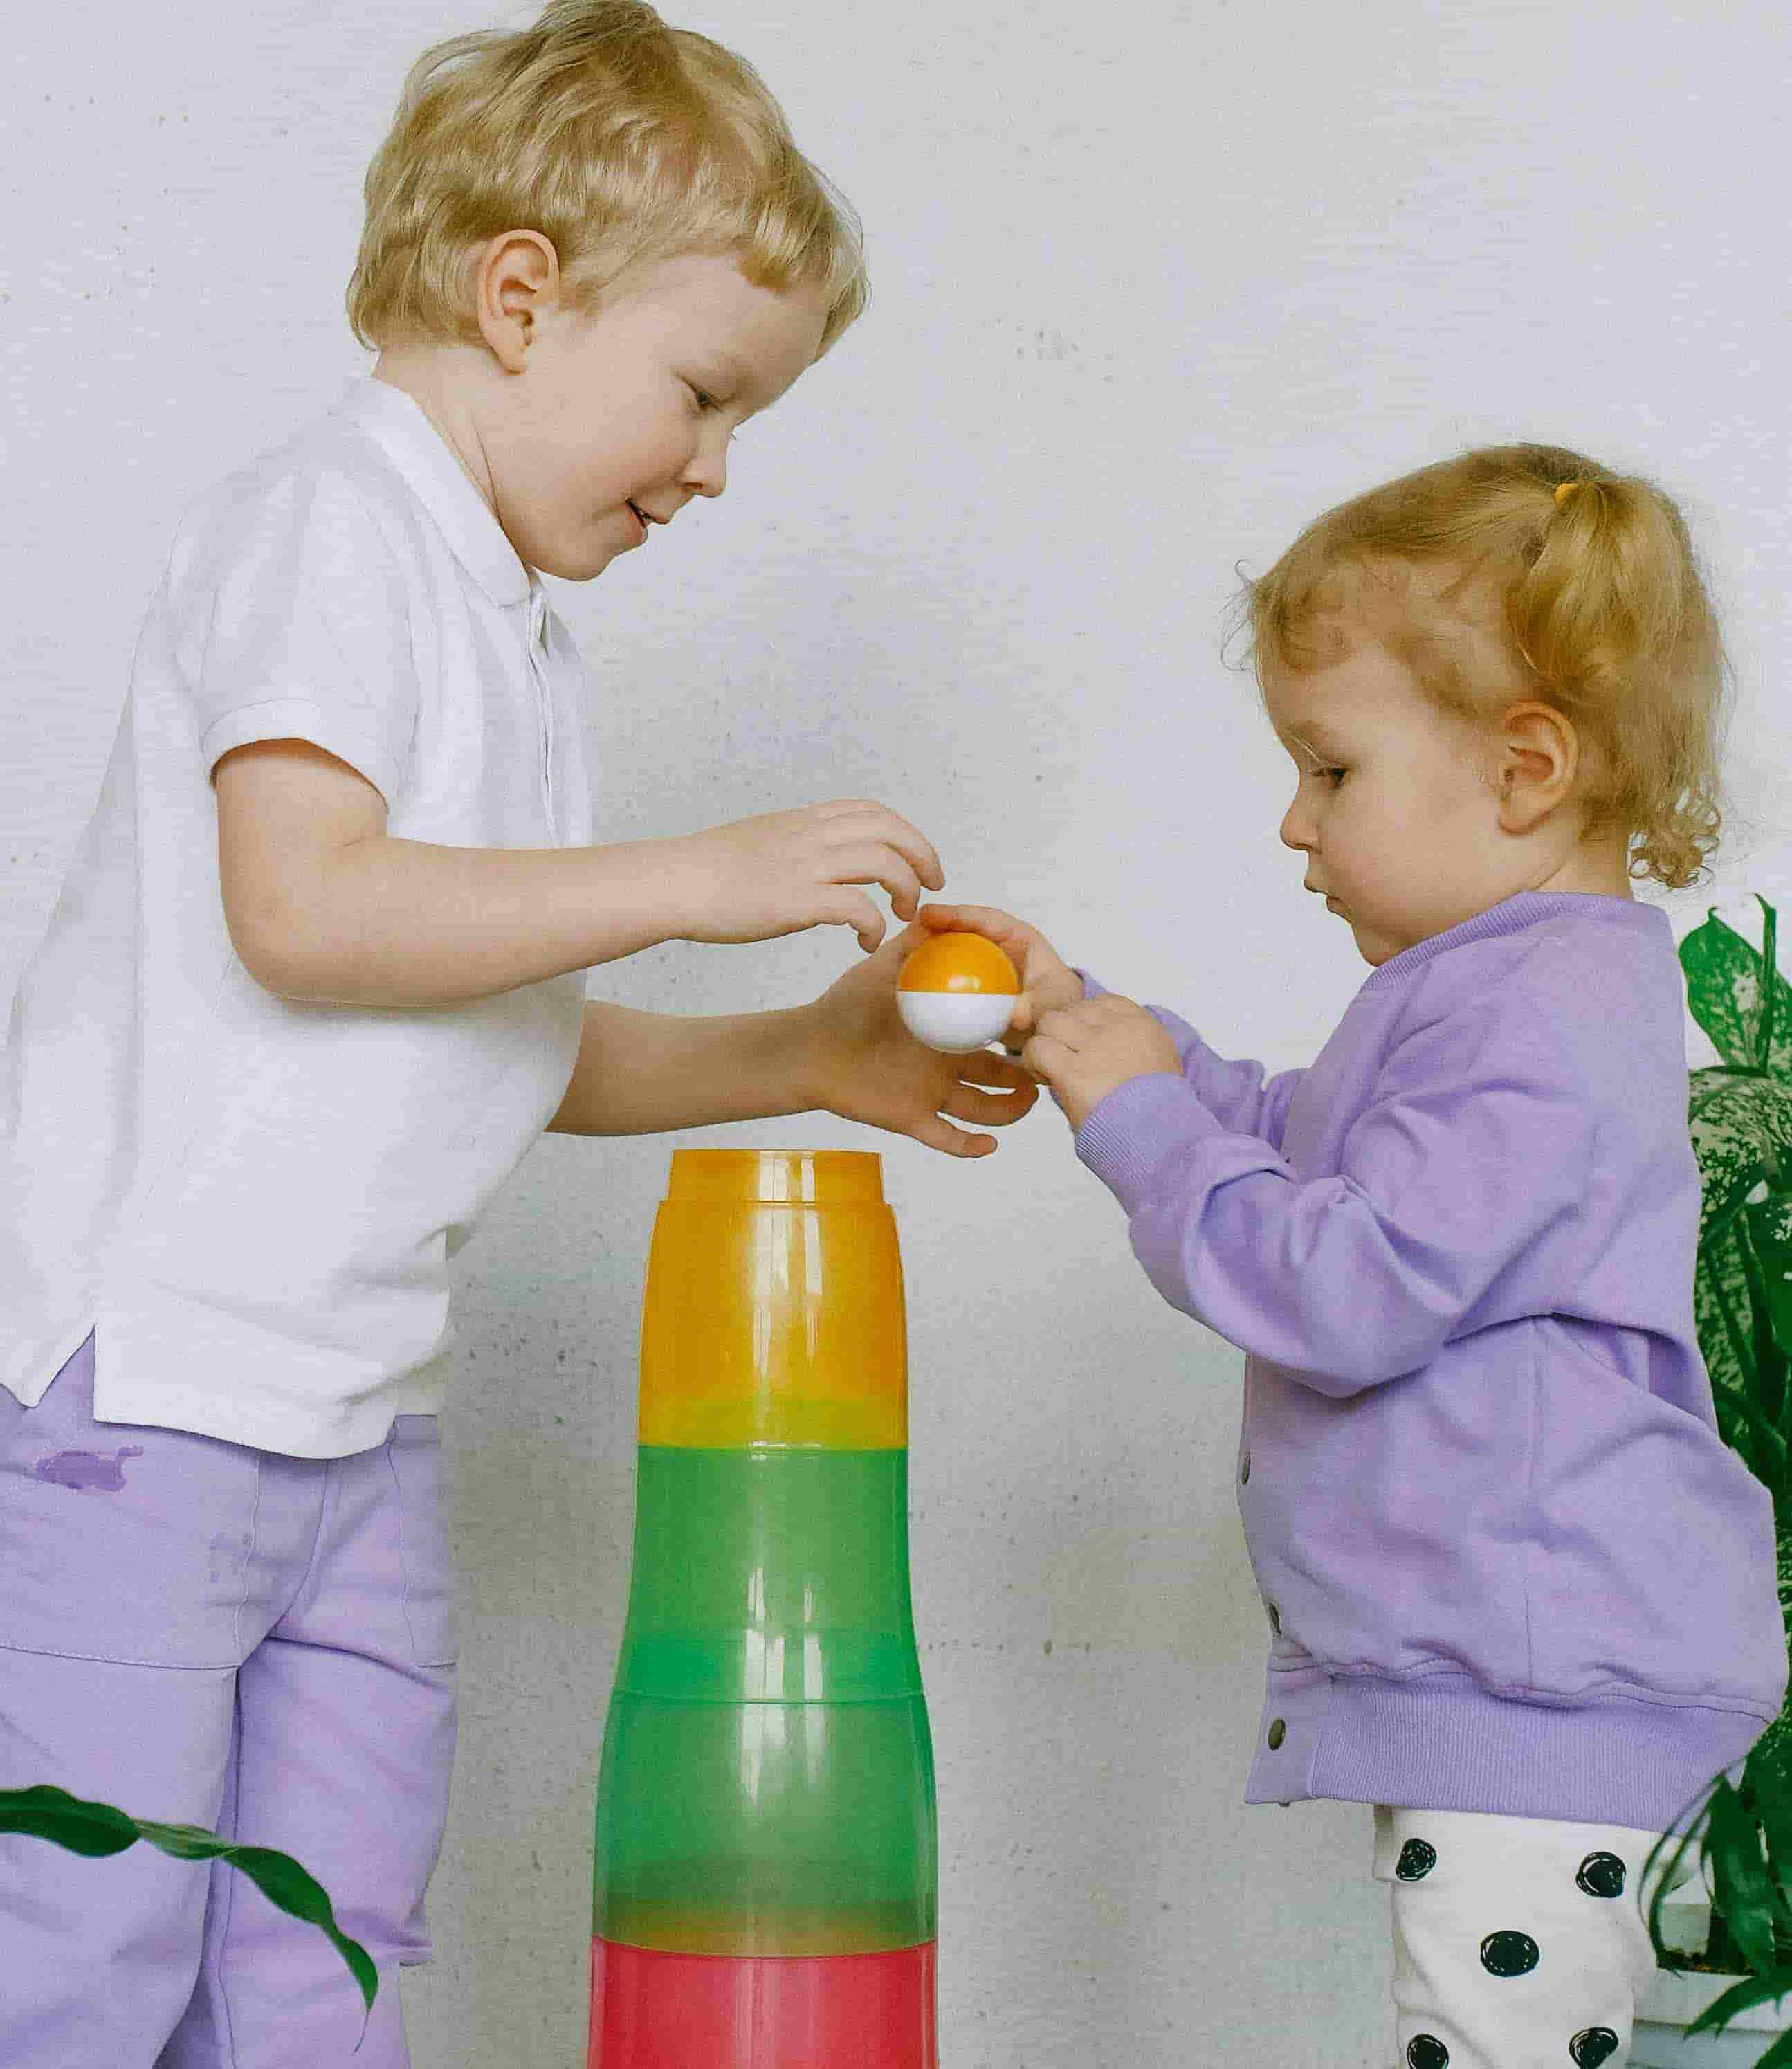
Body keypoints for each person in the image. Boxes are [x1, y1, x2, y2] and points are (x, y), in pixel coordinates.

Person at [0, 4, 1034, 2061]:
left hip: (355, 1416)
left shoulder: (512, 626)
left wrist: (803, 1052)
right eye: (699, 394)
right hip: (155, 1399)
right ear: (517, 293)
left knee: (329, 1944)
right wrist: (693, 868)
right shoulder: (334, 525)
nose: (715, 469)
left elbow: (484, 1033)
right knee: (79, 1948)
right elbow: (303, 909)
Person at [921, 452, 1787, 2067]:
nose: (1289, 823)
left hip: (1540, 1684)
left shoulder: (1534, 1015)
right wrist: (1103, 1036)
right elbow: (1307, 1137)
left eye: (1328, 770)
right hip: (1521, 1663)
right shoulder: (1490, 992)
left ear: (1523, 767)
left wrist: (1140, 1121)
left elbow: (1344, 1284)